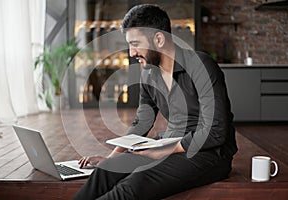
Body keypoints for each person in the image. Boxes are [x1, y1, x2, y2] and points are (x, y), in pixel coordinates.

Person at [74, 4, 237, 200]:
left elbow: (215, 131)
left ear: (158, 39)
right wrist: (110, 159)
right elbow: (141, 123)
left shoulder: (201, 65)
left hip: (209, 154)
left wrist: (162, 152)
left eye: (135, 43)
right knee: (106, 171)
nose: (131, 53)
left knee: (135, 183)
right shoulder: (149, 74)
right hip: (169, 145)